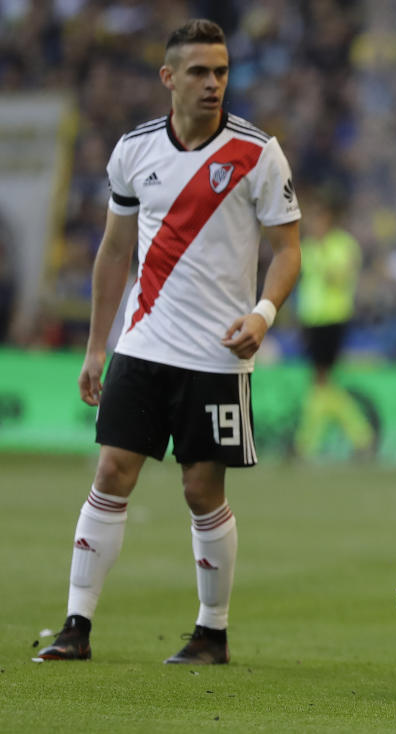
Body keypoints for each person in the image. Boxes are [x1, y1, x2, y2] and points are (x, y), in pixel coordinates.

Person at [37, 19, 301, 663]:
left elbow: (289, 250)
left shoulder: (257, 153)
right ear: (168, 79)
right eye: (199, 73)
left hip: (218, 353)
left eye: (222, 71)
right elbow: (114, 251)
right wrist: (97, 346)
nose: (213, 84)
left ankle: (212, 631)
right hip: (143, 343)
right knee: (111, 472)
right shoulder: (133, 151)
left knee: (201, 490)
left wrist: (264, 314)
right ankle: (76, 625)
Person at [294, 187, 373, 458]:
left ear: (329, 218)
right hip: (311, 320)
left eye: (318, 218)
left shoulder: (342, 245)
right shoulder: (308, 247)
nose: (313, 224)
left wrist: (324, 252)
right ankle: (358, 436)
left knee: (321, 380)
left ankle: (308, 442)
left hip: (334, 318)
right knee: (322, 382)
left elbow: (338, 277)